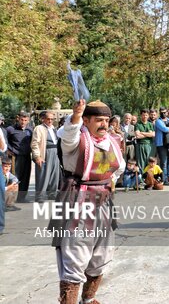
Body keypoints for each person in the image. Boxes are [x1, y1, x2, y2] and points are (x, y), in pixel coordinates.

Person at [50, 100, 125, 304]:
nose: (104, 124)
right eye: (99, 120)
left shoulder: (112, 141)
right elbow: (69, 133)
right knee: (75, 255)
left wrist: (111, 182)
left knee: (102, 253)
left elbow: (118, 168)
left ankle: (89, 298)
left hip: (104, 204)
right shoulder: (75, 140)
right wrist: (75, 115)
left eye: (106, 120)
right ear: (86, 120)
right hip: (78, 204)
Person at [31, 111, 61, 202]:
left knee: (54, 174)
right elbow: (34, 143)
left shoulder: (54, 128)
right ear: (43, 119)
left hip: (55, 152)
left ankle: (52, 193)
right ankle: (40, 196)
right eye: (48, 119)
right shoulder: (39, 128)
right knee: (43, 174)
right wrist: (37, 156)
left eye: (52, 119)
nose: (50, 121)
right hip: (45, 152)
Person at [5, 111, 33, 203]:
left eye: (25, 120)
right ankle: (11, 199)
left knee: (25, 177)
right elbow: (4, 140)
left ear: (28, 120)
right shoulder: (10, 129)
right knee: (14, 177)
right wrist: (8, 150)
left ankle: (22, 198)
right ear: (18, 119)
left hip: (27, 156)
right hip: (15, 157)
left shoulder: (30, 130)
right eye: (22, 119)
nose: (23, 122)